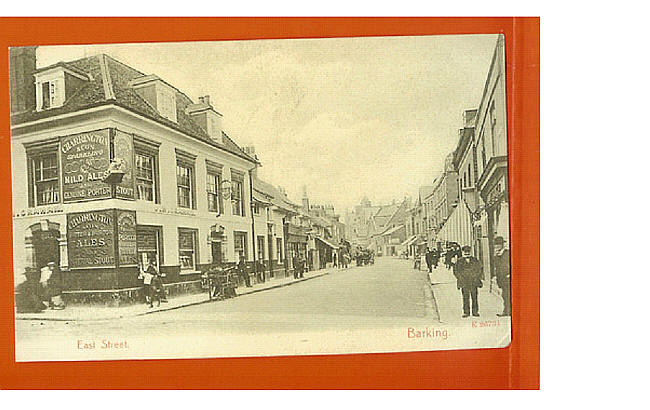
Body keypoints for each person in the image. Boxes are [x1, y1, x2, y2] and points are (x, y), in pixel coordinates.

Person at [454, 245, 483, 318]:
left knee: (474, 297)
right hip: (464, 282)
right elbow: (456, 271)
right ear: (463, 252)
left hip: (473, 281)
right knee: (465, 297)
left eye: (468, 252)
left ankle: (475, 311)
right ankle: (466, 312)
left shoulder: (475, 260)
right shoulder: (459, 261)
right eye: (465, 252)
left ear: (470, 252)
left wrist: (476, 276)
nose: (467, 253)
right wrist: (460, 278)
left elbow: (479, 269)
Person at [493, 236, 511, 317]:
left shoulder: (507, 253)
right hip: (501, 278)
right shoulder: (497, 255)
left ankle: (508, 311)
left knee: (508, 294)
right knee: (505, 295)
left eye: (498, 245)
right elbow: (497, 267)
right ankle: (507, 311)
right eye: (496, 245)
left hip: (508, 278)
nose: (496, 246)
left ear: (502, 245)